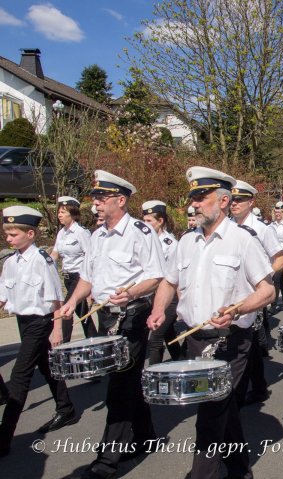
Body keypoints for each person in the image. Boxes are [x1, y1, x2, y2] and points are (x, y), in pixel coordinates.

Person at [148, 167, 274, 479]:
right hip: (195, 339)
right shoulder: (186, 242)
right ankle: (239, 469)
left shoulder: (243, 241)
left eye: (201, 198)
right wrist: (159, 309)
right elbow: (168, 281)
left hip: (230, 341)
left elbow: (268, 290)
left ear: (223, 201)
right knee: (224, 408)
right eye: (193, 198)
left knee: (209, 412)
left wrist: (237, 309)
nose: (194, 205)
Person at [57, 170, 165, 479]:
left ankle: (106, 462)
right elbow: (87, 279)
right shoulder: (96, 235)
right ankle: (145, 435)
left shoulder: (140, 233)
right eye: (94, 197)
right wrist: (70, 301)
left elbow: (156, 276)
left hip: (131, 317)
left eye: (102, 198)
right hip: (106, 317)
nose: (96, 203)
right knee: (127, 381)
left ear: (121, 200)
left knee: (118, 387)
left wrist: (130, 292)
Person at [0, 206, 76, 457]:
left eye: (13, 234)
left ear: (30, 234)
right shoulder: (10, 263)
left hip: (40, 322)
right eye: (6, 234)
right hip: (23, 321)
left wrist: (57, 329)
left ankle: (4, 437)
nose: (8, 239)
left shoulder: (42, 261)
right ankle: (66, 409)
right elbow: (2, 297)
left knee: (19, 376)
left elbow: (56, 299)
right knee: (45, 365)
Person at [230, 180, 283, 406]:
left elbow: (281, 260)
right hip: (234, 294)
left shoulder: (263, 229)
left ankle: (239, 393)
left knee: (245, 339)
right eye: (232, 199)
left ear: (251, 202)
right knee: (249, 340)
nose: (235, 204)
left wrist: (260, 281)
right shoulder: (227, 226)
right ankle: (258, 387)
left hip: (254, 294)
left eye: (240, 199)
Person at [51, 196, 97, 342]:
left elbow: (90, 257)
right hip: (68, 277)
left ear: (73, 214)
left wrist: (91, 286)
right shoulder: (62, 233)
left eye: (63, 212)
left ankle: (63, 343)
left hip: (80, 277)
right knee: (82, 313)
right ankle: (94, 339)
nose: (60, 215)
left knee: (66, 309)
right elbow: (55, 253)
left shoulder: (81, 232)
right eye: (59, 212)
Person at [142, 200, 182, 365]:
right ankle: (182, 360)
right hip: (150, 295)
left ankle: (153, 376)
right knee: (169, 334)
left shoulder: (171, 244)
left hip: (168, 297)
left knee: (156, 338)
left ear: (160, 221)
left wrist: (181, 303)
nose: (146, 225)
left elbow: (176, 276)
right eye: (144, 221)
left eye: (149, 221)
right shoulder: (143, 240)